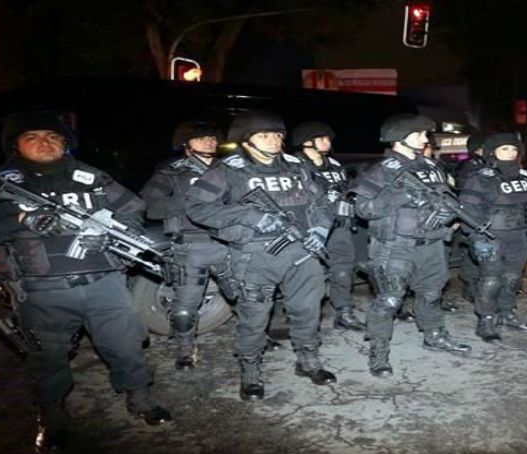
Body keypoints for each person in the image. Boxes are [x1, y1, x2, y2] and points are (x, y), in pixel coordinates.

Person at [0, 111, 170, 454]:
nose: (44, 143)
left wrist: (111, 231)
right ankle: (52, 416)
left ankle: (140, 396)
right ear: (15, 145)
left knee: (125, 344)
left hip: (104, 282)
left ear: (65, 143)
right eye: (32, 137)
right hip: (40, 289)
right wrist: (21, 219)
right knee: (46, 357)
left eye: (53, 136)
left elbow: (133, 207)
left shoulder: (90, 176)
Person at [185, 111, 336, 401]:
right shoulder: (228, 170)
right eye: (264, 135)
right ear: (246, 140)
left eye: (278, 135)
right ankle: (251, 372)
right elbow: (197, 208)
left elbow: (323, 203)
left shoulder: (296, 166)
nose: (274, 141)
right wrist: (250, 217)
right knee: (253, 318)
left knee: (307, 310)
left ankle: (308, 360)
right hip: (255, 256)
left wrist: (319, 230)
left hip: (302, 253)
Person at [350, 114, 471, 377]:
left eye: (425, 134)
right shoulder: (379, 169)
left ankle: (434, 335)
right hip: (395, 245)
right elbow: (362, 209)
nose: (425, 138)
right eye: (419, 134)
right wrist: (402, 196)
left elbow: (449, 198)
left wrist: (448, 213)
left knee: (431, 293)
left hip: (432, 244)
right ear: (399, 137)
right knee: (390, 299)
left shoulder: (431, 166)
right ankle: (379, 350)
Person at [139, 120, 230, 369]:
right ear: (186, 144)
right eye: (201, 138)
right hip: (191, 246)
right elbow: (148, 204)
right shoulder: (171, 173)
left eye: (212, 138)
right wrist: (191, 203)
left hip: (228, 242)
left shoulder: (229, 169)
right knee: (185, 306)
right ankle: (186, 349)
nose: (209, 142)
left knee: (246, 296)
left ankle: (258, 338)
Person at [458, 132, 527, 341]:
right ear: (492, 152)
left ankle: (506, 313)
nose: (511, 152)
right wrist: (476, 238)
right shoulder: (480, 178)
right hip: (491, 236)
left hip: (519, 235)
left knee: (513, 278)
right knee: (491, 280)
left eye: (514, 149)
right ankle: (485, 320)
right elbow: (468, 211)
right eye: (505, 149)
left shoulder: (524, 177)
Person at [288, 121, 364, 331]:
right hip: (310, 228)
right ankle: (304, 319)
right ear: (306, 142)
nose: (327, 141)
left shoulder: (335, 165)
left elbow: (345, 190)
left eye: (327, 138)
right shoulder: (292, 165)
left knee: (343, 269)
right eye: (321, 138)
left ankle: (344, 312)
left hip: (339, 226)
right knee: (308, 275)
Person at [454, 133, 487, 302]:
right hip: (471, 213)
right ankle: (470, 285)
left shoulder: (486, 164)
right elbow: (464, 189)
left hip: (485, 214)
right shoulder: (469, 166)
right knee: (471, 252)